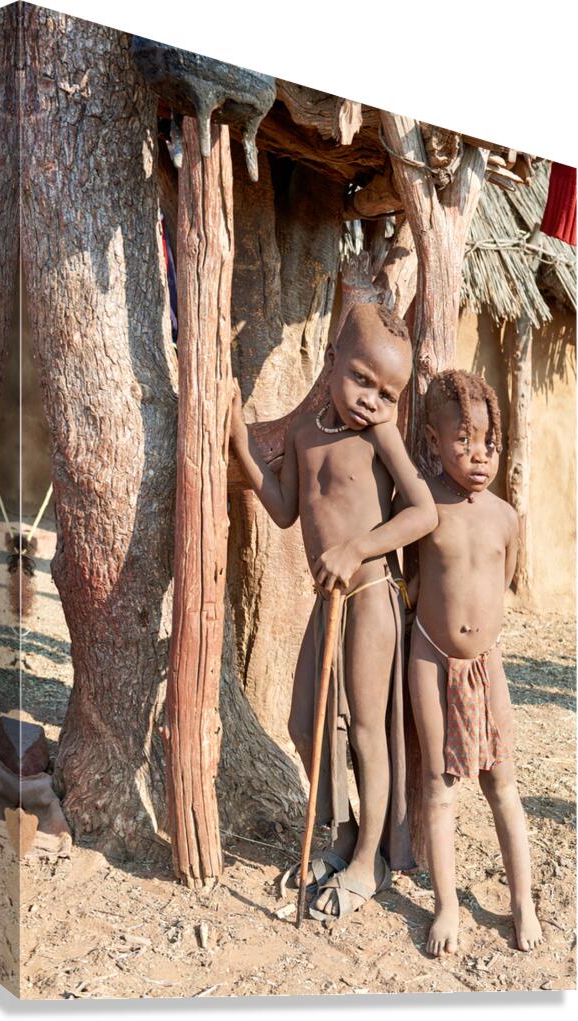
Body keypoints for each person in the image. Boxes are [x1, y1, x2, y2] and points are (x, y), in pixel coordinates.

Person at [229, 303, 437, 920]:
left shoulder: (378, 435)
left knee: (368, 730)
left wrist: (357, 548)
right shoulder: (304, 433)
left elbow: (422, 512)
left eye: (388, 392)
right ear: (330, 362)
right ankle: (343, 835)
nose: (372, 400)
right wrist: (240, 446)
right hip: (330, 603)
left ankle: (370, 860)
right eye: (362, 380)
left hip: (371, 594)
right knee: (304, 722)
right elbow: (286, 508)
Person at [406, 369, 543, 955]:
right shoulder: (420, 506)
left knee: (501, 785)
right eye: (462, 440)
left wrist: (479, 636)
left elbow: (503, 578)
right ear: (434, 443)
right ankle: (446, 905)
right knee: (438, 785)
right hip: (430, 659)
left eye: (488, 440)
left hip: (487, 666)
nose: (479, 454)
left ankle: (522, 903)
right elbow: (411, 578)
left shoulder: (505, 516)